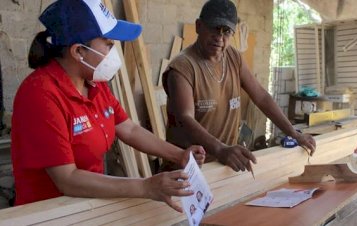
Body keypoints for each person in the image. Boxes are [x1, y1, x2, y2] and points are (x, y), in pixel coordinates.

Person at [11, 0, 205, 213]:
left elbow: (129, 129)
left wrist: (179, 155)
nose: (115, 51)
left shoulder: (94, 84)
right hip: (49, 213)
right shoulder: (41, 95)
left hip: (90, 203)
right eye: (109, 44)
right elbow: (67, 179)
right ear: (78, 52)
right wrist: (145, 186)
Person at [162, 0, 316, 172]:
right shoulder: (182, 68)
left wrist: (293, 133)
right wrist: (220, 149)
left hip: (222, 164)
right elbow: (186, 118)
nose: (219, 37)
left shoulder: (233, 58)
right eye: (214, 28)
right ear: (199, 26)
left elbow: (262, 97)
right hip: (187, 167)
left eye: (226, 31)